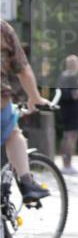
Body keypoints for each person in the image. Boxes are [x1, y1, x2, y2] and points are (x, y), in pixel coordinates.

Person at [0, 20, 52, 203]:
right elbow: (23, 70)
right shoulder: (3, 29)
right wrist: (35, 98)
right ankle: (27, 183)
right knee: (13, 134)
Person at [57, 55, 78, 175]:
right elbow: (69, 94)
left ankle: (66, 164)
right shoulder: (71, 77)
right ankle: (67, 165)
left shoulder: (64, 76)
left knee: (67, 136)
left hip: (66, 110)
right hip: (71, 111)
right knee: (71, 137)